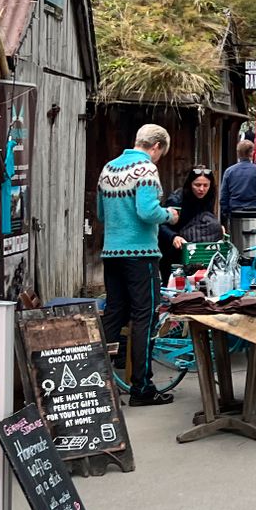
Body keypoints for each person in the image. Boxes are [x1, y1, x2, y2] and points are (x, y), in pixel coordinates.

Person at [98, 124, 174, 404]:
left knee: (114, 314)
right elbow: (147, 211)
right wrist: (169, 216)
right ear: (156, 147)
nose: (158, 159)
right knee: (145, 316)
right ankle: (142, 387)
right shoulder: (146, 169)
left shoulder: (108, 168)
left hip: (111, 252)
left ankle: (100, 384)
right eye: (161, 153)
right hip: (140, 252)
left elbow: (100, 212)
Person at [159, 165, 224, 279]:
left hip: (197, 253)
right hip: (174, 252)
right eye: (197, 185)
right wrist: (174, 237)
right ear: (190, 184)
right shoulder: (177, 199)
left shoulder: (208, 196)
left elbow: (207, 216)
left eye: (205, 185)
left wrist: (218, 227)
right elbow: (161, 225)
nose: (202, 189)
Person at [221, 139, 256, 215]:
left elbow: (224, 194)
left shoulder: (229, 171)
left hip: (235, 210)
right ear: (252, 153)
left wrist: (225, 210)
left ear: (238, 153)